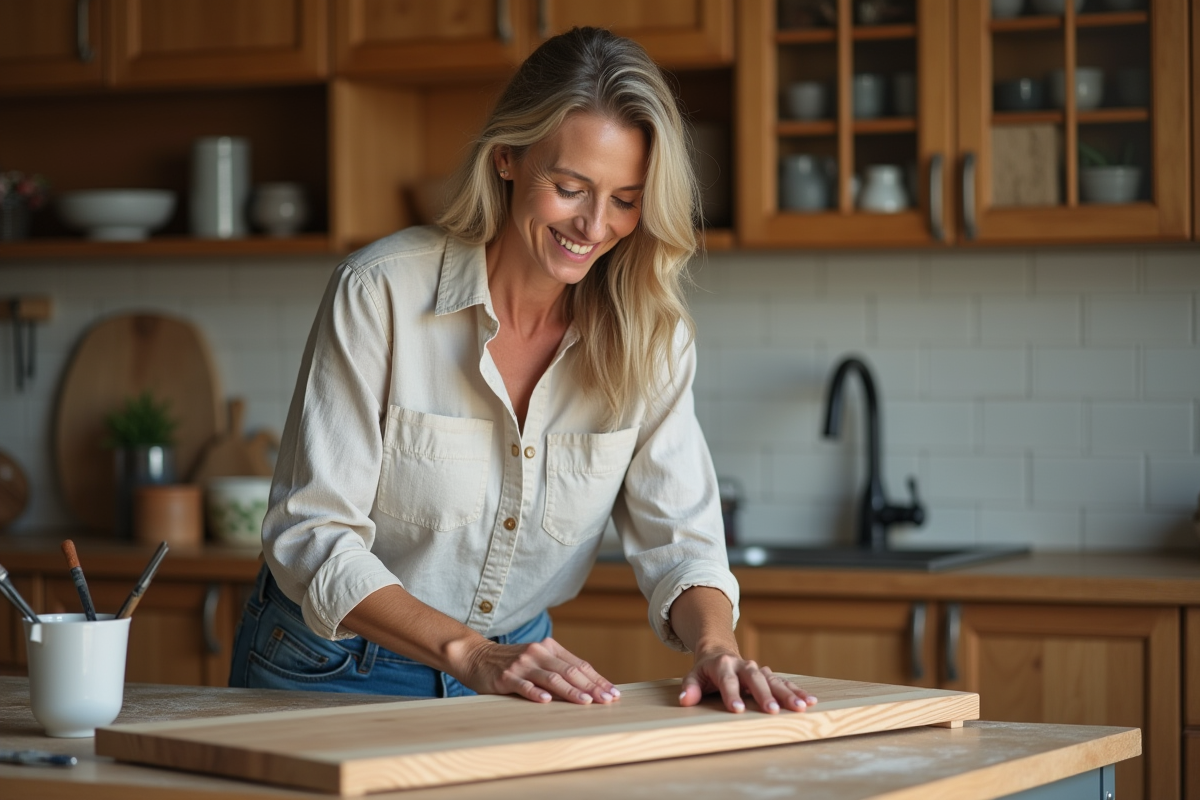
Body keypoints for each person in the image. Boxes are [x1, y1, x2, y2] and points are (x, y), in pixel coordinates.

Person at [228, 26, 816, 716]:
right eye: (570, 187)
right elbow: (310, 534)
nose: (595, 225)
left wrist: (716, 647)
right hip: (331, 666)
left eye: (626, 200)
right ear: (507, 158)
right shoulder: (379, 293)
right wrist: (469, 652)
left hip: (516, 676)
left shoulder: (652, 337)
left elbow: (680, 539)